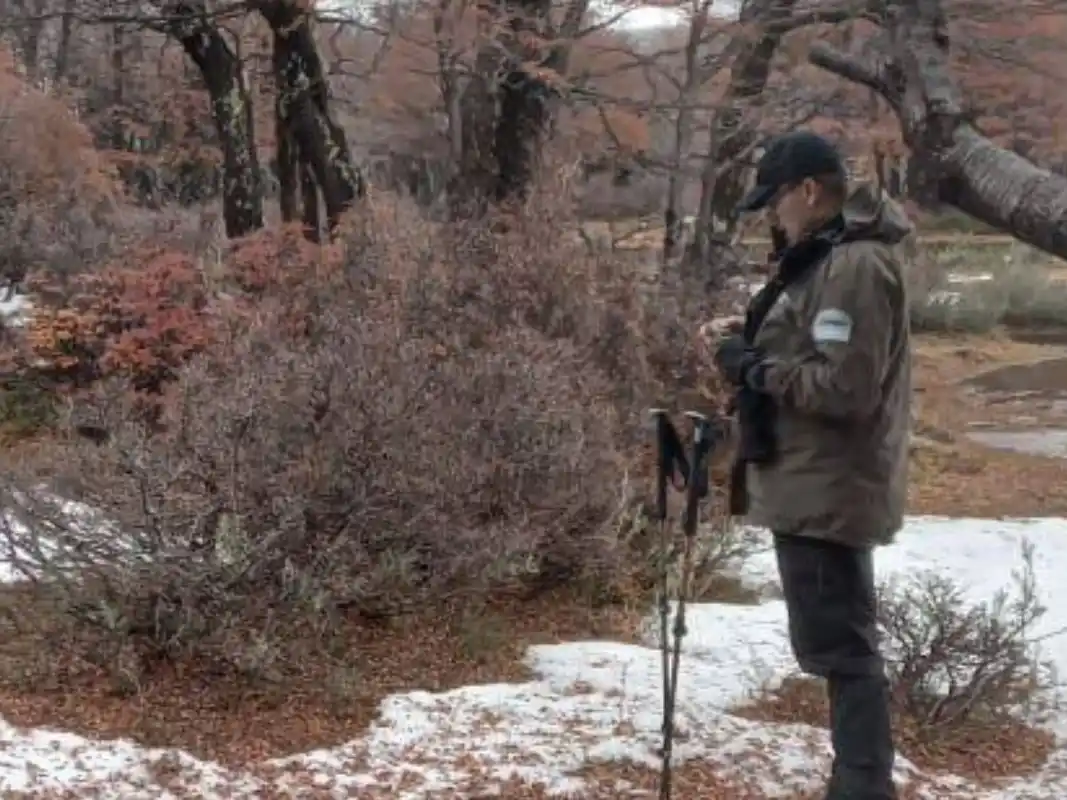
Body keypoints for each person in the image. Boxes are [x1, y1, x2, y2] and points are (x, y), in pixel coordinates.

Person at [711, 130, 913, 800]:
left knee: (844, 653)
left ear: (808, 191)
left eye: (776, 202)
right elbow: (812, 352)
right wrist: (745, 348)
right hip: (808, 479)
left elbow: (844, 388)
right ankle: (857, 780)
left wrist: (757, 369)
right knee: (832, 645)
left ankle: (860, 786)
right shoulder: (822, 258)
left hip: (829, 484)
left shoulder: (854, 265)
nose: (773, 215)